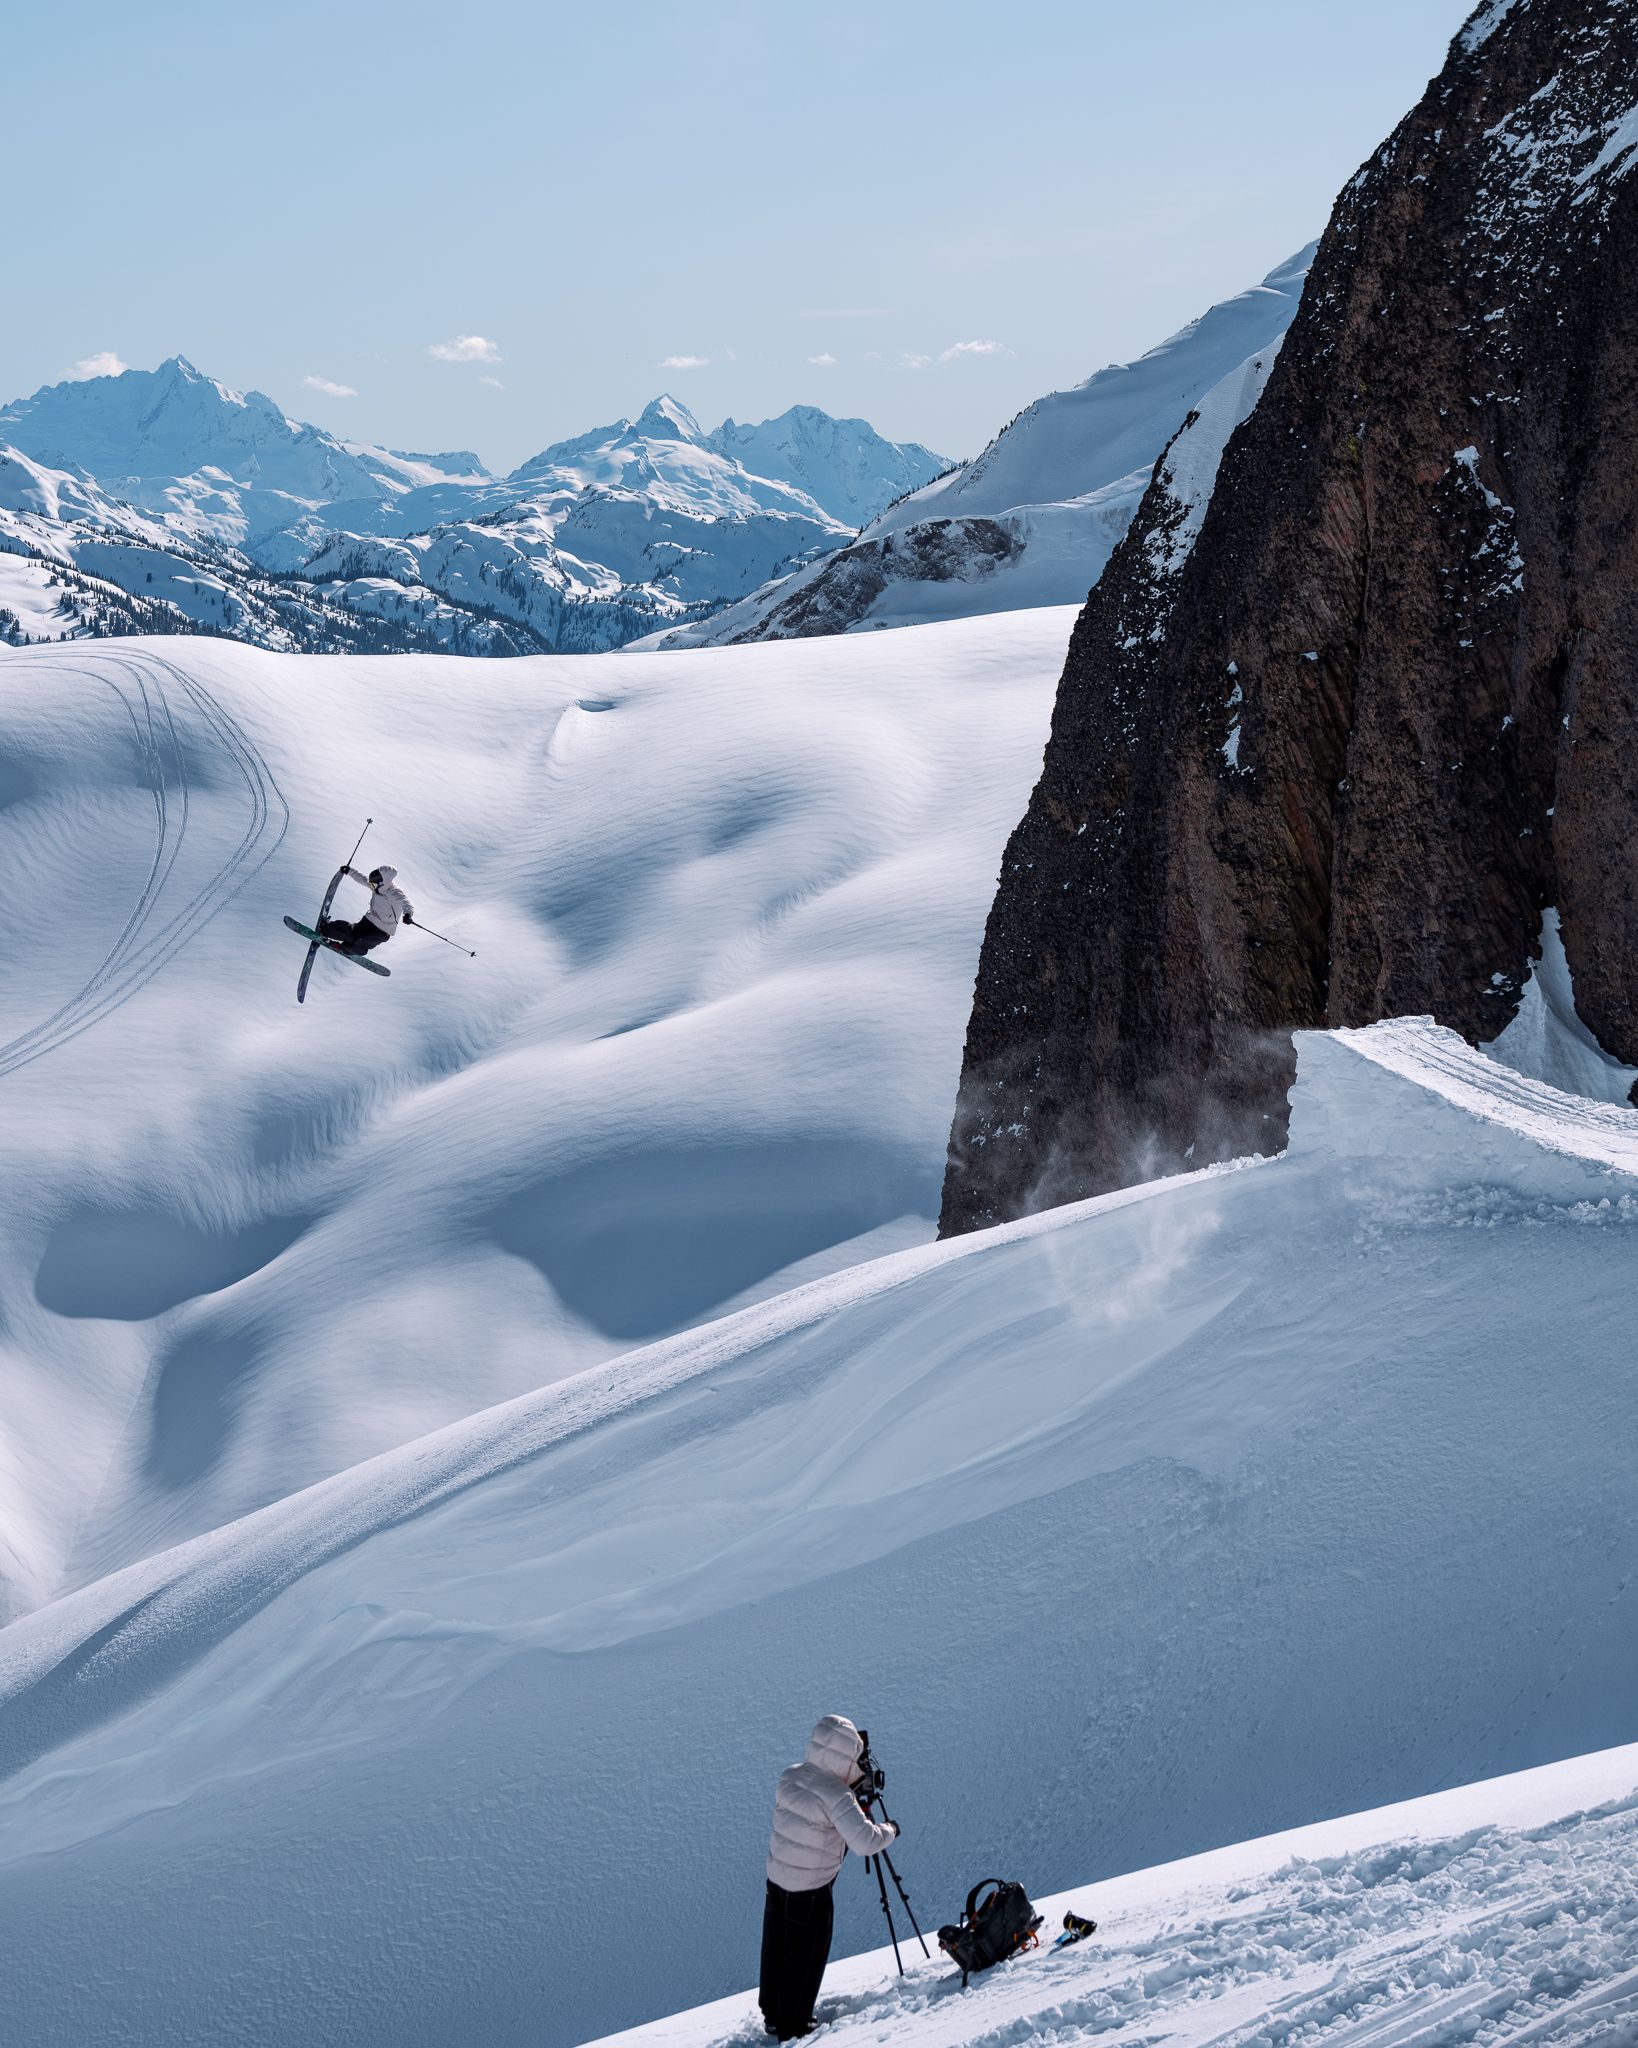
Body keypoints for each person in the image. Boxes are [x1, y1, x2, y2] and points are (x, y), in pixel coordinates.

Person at [760, 1715, 899, 2041]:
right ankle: (794, 2025)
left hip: (776, 1880)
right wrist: (890, 1829)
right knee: (805, 1955)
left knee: (777, 1948)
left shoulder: (790, 1775)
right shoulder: (838, 1796)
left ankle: (772, 2014)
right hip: (810, 1891)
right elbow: (865, 1842)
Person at [320, 865, 414, 955]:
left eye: (373, 885)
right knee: (351, 932)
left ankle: (341, 948)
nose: (371, 886)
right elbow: (363, 879)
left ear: (383, 883)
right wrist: (349, 871)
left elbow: (406, 903)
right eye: (371, 884)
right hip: (369, 920)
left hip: (382, 931)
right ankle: (326, 929)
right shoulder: (376, 886)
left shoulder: (395, 892)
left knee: (361, 943)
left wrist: (408, 915)